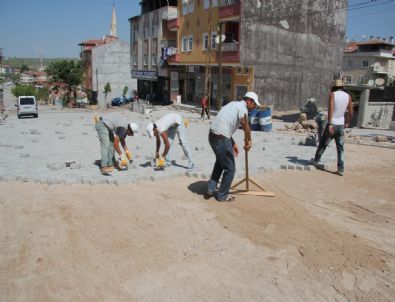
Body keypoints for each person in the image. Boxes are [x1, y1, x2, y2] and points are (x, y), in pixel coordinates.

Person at [205, 91, 260, 202]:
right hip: (221, 138)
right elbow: (246, 126)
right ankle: (222, 196)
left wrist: (233, 143)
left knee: (221, 162)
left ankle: (211, 188)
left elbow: (225, 126)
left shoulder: (232, 104)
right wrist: (249, 142)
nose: (254, 108)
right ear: (249, 101)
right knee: (230, 169)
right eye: (254, 105)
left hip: (212, 136)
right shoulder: (243, 108)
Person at [312, 79, 353, 176]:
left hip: (332, 124)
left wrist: (330, 123)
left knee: (323, 143)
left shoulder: (332, 95)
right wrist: (347, 122)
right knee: (340, 148)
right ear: (342, 87)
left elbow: (331, 109)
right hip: (341, 125)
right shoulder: (348, 96)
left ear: (333, 87)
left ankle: (316, 161)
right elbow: (351, 112)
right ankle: (341, 169)